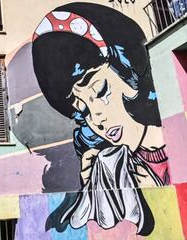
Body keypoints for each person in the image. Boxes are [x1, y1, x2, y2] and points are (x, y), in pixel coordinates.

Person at [32, 2, 169, 236]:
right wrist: (91, 187)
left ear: (127, 72)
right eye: (82, 109)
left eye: (100, 91)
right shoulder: (104, 165)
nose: (96, 117)